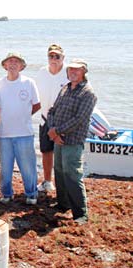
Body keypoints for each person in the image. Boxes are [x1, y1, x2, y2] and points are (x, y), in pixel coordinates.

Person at [47, 58, 97, 225]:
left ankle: (80, 213)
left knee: (73, 175)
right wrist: (52, 131)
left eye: (77, 70)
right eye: (70, 70)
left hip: (73, 140)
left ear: (84, 72)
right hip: (58, 138)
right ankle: (63, 204)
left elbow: (79, 119)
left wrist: (57, 131)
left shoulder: (88, 93)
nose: (73, 72)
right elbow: (53, 110)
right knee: (59, 171)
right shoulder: (65, 88)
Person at [0, 52, 41, 205]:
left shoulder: (29, 83)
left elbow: (36, 105)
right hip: (3, 134)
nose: (13, 64)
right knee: (5, 169)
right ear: (5, 65)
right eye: (10, 61)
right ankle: (7, 194)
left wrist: (23, 116)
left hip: (24, 133)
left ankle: (31, 193)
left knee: (28, 167)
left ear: (22, 66)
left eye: (16, 61)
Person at [36, 44, 69, 192]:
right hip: (44, 119)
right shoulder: (42, 72)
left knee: (63, 154)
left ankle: (64, 185)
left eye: (57, 56)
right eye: (51, 56)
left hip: (63, 122)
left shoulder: (69, 72)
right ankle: (47, 181)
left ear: (63, 57)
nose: (54, 59)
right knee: (46, 151)